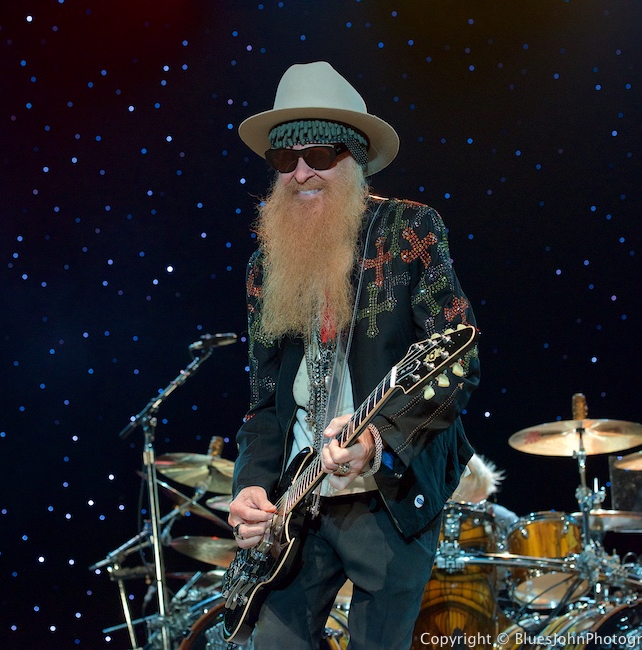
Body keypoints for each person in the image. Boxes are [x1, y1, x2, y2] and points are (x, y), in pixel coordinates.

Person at [225, 61, 480, 649]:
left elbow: (459, 356)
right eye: (284, 160)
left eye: (319, 154)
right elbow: (264, 402)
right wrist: (252, 486)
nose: (301, 172)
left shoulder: (409, 229)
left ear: (357, 158)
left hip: (388, 496)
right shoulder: (266, 265)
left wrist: (378, 437)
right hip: (298, 504)